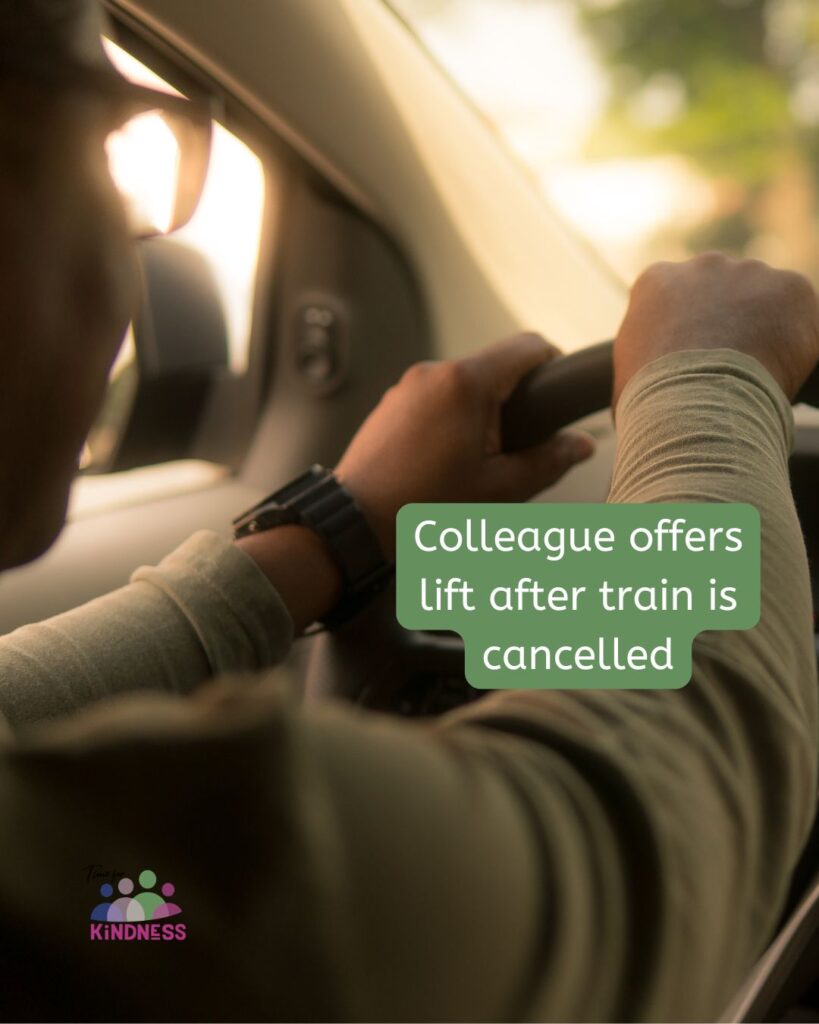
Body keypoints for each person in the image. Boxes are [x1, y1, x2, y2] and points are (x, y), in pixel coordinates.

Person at [0, 2, 818, 1021]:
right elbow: (639, 844)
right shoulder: (134, 863)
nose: (129, 240)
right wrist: (710, 384)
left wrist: (338, 528)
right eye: (111, 133)